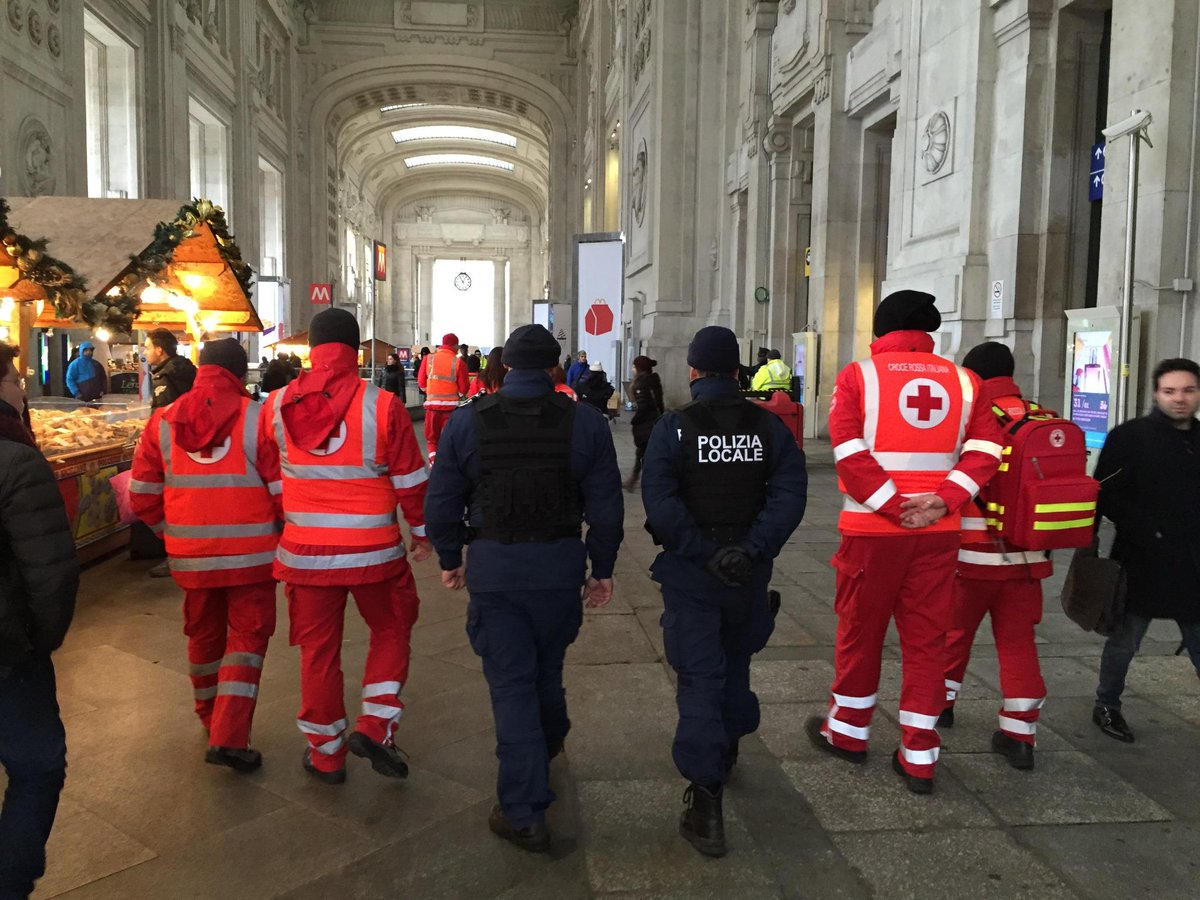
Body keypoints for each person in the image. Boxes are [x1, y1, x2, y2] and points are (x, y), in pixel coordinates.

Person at [424, 324, 623, 853]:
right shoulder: (586, 424)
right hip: (559, 566)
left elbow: (442, 500)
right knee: (547, 667)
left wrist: (450, 557)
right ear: (555, 366)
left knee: (512, 683)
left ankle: (523, 810)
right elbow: (606, 508)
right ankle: (548, 739)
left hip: (496, 569)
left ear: (506, 365)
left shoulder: (467, 423)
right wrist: (602, 569)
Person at [806, 290, 1003, 795]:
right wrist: (943, 501)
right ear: (929, 333)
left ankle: (847, 733)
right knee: (926, 640)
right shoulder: (966, 381)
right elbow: (986, 450)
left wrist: (895, 506)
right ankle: (919, 752)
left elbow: (847, 450)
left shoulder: (858, 377)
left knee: (860, 632)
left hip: (872, 534)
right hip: (938, 534)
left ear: (881, 333)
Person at [641, 325, 807, 857]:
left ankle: (706, 802)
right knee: (735, 666)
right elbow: (789, 497)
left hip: (693, 576)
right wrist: (752, 549)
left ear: (692, 372)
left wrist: (702, 551)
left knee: (700, 679)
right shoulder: (769, 427)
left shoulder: (675, 429)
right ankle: (729, 747)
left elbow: (662, 505)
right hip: (747, 576)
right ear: (738, 372)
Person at [257, 308, 432, 784]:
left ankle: (326, 754)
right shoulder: (383, 406)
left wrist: (286, 521)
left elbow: (271, 475)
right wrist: (421, 531)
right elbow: (412, 480)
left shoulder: (273, 407)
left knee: (317, 651)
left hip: (305, 554)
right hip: (375, 554)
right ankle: (375, 724)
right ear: (355, 350)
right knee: (393, 628)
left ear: (311, 349)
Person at [130, 339, 280, 773]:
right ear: (240, 373)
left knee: (203, 637)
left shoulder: (162, 420)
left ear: (200, 369)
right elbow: (281, 493)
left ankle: (209, 717)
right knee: (246, 641)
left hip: (190, 557)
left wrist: (171, 533)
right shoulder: (257, 419)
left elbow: (140, 494)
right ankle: (229, 736)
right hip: (251, 557)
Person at [938, 342, 1050, 770]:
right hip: (1026, 558)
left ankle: (942, 706)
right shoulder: (1042, 417)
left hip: (971, 558)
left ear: (973, 376)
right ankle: (1020, 735)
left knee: (952, 634)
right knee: (1019, 644)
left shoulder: (970, 420)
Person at [0, 342, 78, 900]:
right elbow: (50, 574)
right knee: (36, 768)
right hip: (8, 656)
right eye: (13, 375)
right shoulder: (17, 461)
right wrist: (37, 643)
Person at [1091, 357, 1200, 743]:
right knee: (1124, 641)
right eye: (1170, 391)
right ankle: (1107, 705)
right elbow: (1104, 492)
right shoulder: (1131, 436)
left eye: (1188, 390)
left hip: (1192, 563)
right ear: (1156, 393)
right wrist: (1147, 531)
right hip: (1142, 560)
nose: (1180, 399)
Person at [417, 333, 470, 464]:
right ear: (455, 346)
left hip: (432, 408)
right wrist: (458, 395)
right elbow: (464, 387)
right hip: (451, 409)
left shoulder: (428, 359)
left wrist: (430, 392)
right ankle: (449, 464)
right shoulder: (458, 362)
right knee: (451, 438)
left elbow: (421, 382)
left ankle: (434, 463)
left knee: (432, 439)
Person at [625, 355, 664, 491]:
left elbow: (643, 406)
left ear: (639, 369)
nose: (632, 369)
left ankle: (637, 480)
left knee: (643, 453)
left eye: (634, 367)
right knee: (646, 453)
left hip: (646, 424)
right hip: (655, 421)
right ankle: (635, 479)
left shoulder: (641, 384)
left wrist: (635, 421)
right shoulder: (654, 380)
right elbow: (659, 403)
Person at [144, 328, 198, 410]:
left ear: (159, 350)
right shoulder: (186, 368)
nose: (145, 353)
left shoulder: (164, 377)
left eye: (147, 348)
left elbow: (164, 414)